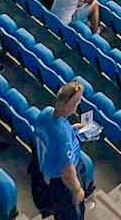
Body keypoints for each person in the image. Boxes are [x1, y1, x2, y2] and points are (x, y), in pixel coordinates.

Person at [30, 80, 88, 220]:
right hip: (61, 184)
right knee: (71, 214)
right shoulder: (62, 138)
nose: (78, 104)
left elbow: (47, 133)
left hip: (47, 172)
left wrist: (71, 128)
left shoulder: (47, 112)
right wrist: (77, 190)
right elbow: (67, 173)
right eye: (76, 102)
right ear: (67, 105)